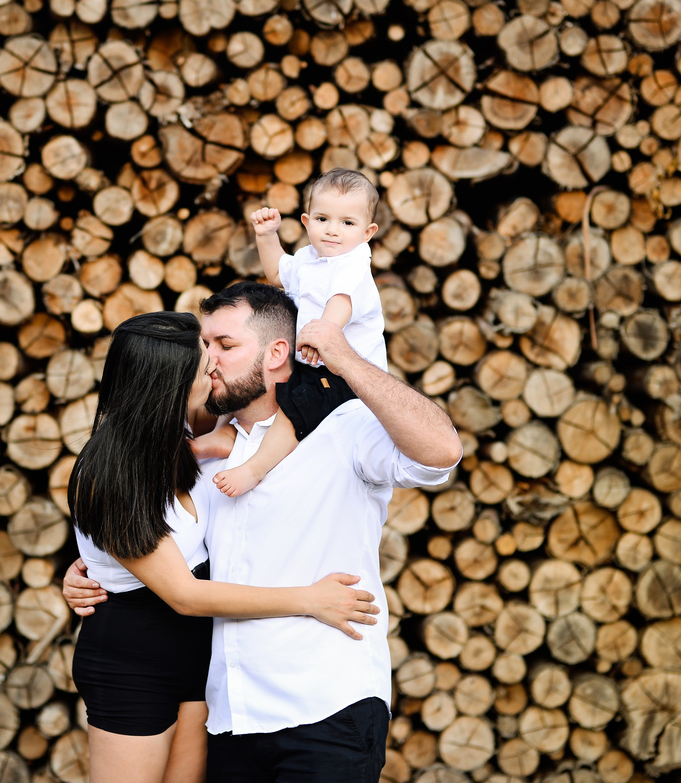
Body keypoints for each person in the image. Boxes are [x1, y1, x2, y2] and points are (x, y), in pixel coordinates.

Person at [66, 284, 463, 783]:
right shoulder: (206, 442)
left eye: (224, 346)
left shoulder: (342, 428)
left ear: (278, 352)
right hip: (230, 712)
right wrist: (94, 565)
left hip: (323, 709)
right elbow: (150, 534)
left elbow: (442, 452)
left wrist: (346, 361)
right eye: (204, 346)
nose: (209, 360)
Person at [201, 168, 386, 497]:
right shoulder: (309, 259)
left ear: (368, 232)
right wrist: (267, 236)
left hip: (345, 372)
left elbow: (339, 304)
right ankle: (221, 432)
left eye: (347, 223)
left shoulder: (353, 265)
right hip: (309, 357)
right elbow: (275, 272)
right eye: (322, 219)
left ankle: (255, 468)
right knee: (246, 374)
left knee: (295, 408)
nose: (332, 231)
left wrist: (323, 335)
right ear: (305, 221)